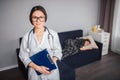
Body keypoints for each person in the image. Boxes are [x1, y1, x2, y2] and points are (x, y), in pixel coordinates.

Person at [19, 5, 62, 80]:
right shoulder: (26, 37)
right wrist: (38, 68)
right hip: (34, 72)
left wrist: (51, 62)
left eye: (41, 17)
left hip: (51, 71)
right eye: (35, 17)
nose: (38, 20)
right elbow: (23, 56)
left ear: (45, 18)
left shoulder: (53, 34)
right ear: (31, 19)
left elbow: (58, 51)